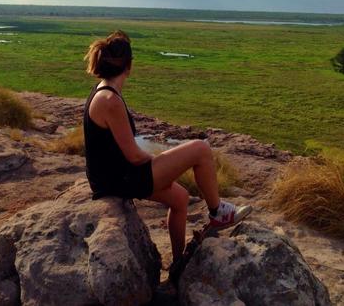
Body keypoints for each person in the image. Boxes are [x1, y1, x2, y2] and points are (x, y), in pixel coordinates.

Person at [83, 30, 252, 263]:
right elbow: (133, 155)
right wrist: (164, 164)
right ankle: (218, 212)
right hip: (118, 180)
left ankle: (178, 262)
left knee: (180, 198)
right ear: (129, 66)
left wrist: (164, 164)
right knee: (200, 148)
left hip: (113, 176)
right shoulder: (110, 100)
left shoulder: (103, 91)